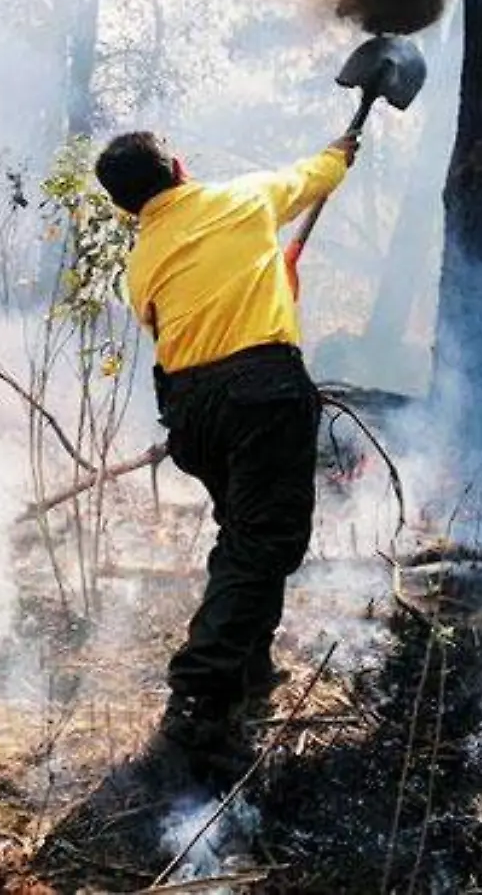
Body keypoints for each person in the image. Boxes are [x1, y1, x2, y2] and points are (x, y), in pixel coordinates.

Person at [94, 129, 356, 777]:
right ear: (180, 166)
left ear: (127, 208)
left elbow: (192, 315)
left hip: (194, 413)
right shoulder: (243, 199)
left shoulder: (141, 261)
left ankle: (248, 670)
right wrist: (340, 150)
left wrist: (274, 279)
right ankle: (199, 703)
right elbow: (312, 178)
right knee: (263, 542)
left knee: (245, 536)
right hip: (262, 392)